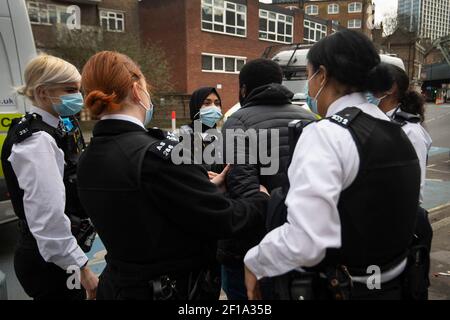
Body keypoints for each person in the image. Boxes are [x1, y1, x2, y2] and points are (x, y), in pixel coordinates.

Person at [244, 29, 422, 300]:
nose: (309, 85)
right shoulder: (397, 129)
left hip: (348, 288)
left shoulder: (326, 134)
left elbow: (307, 242)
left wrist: (255, 261)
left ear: (323, 75)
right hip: (397, 283)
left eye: (309, 74)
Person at [77, 51, 269, 300]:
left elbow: (146, 206)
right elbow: (222, 220)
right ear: (137, 90)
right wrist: (259, 201)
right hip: (171, 290)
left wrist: (202, 187)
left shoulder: (88, 156)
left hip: (119, 286)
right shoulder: (158, 154)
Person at [218, 58, 317, 300]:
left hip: (251, 249)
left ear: (244, 89)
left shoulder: (237, 122)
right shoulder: (310, 120)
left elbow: (244, 189)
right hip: (298, 241)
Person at [0, 55, 98, 300]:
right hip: (51, 263)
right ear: (43, 93)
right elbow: (47, 218)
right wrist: (82, 268)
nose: (78, 96)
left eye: (79, 89)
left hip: (51, 258)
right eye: (70, 90)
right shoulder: (38, 141)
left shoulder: (51, 127)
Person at [368, 64, 433, 299]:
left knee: (406, 288)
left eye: (371, 85)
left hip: (405, 224)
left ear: (391, 88)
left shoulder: (410, 130)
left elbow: (413, 187)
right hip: (384, 223)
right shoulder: (382, 122)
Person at [179, 87, 224, 174]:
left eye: (217, 103)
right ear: (196, 106)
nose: (214, 108)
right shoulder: (184, 134)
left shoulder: (220, 135)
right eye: (207, 103)